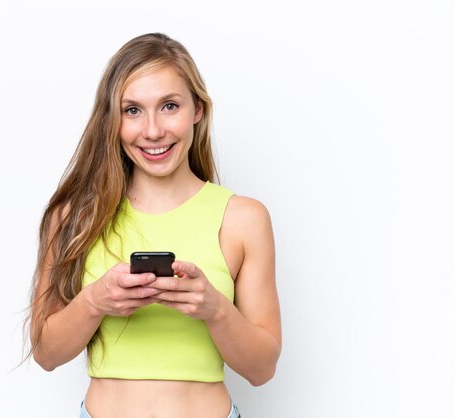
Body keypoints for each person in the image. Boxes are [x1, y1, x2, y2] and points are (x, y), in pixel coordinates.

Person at [26, 33, 281, 418]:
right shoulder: (74, 217)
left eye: (169, 106)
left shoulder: (243, 219)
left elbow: (262, 370)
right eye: (132, 110)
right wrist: (96, 301)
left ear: (197, 109)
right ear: (111, 119)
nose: (152, 131)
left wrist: (213, 308)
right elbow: (46, 354)